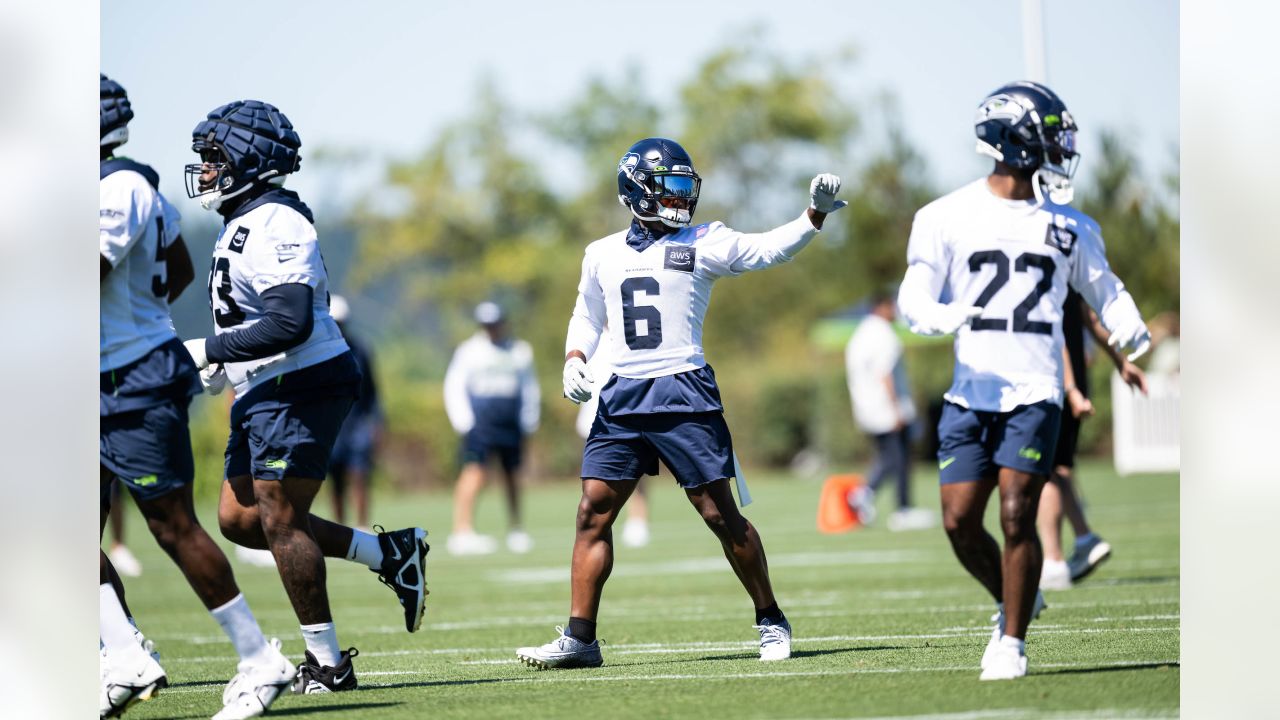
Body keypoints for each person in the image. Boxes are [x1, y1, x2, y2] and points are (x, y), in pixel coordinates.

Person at [516, 137, 846, 668]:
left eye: (683, 186)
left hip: (682, 391)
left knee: (719, 513)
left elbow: (764, 249)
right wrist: (575, 357)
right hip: (620, 394)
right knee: (590, 514)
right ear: (637, 190)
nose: (680, 197)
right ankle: (581, 639)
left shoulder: (704, 240)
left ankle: (770, 619)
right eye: (669, 186)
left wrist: (813, 216)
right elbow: (588, 315)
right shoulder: (601, 253)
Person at [897, 82, 1151, 680]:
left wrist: (1130, 329)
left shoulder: (1070, 226)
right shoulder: (945, 215)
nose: (1060, 146)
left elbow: (1102, 289)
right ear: (1012, 139)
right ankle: (1015, 597)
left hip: (1035, 392)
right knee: (959, 522)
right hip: (970, 392)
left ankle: (1011, 641)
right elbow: (915, 290)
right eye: (1049, 133)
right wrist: (935, 316)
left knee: (1017, 513)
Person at [179, 99, 429, 707]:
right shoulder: (244, 218)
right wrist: (227, 361)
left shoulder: (277, 221)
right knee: (240, 520)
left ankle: (328, 662)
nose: (205, 171)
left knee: (276, 514)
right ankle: (389, 552)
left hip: (304, 378)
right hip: (266, 385)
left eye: (213, 159)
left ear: (246, 160)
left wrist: (207, 348)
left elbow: (289, 322)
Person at [98, 74, 292, 720]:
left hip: (134, 378)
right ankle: (122, 653)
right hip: (98, 375)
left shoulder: (120, 184)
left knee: (171, 526)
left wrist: (135, 326)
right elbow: (176, 267)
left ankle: (259, 658)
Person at [1037, 293, 1148, 590]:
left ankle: (1053, 560)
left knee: (1043, 468)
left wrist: (1070, 387)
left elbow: (1058, 331)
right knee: (1057, 466)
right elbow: (1092, 320)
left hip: (1051, 379)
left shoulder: (1046, 263)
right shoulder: (1067, 264)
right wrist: (1120, 362)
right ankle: (1085, 538)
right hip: (1065, 380)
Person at [443, 302, 541, 555]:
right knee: (475, 472)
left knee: (512, 475)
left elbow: (529, 387)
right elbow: (454, 385)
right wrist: (463, 420)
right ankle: (462, 530)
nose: (491, 329)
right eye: (486, 325)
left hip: (509, 420)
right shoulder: (469, 350)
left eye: (495, 323)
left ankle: (516, 528)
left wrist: (529, 418)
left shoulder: (520, 351)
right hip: (481, 421)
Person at [844, 288, 935, 531]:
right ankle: (899, 508)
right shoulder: (883, 334)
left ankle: (868, 495)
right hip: (885, 407)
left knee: (890, 457)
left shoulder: (861, 333)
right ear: (881, 306)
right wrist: (896, 409)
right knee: (900, 458)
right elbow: (884, 374)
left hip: (867, 407)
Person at [575, 327, 650, 548]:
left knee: (638, 472)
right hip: (593, 415)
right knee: (595, 479)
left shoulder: (632, 333)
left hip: (628, 411)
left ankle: (638, 521)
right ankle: (602, 524)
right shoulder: (589, 337)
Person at [327, 295, 384, 530]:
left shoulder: (361, 350)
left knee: (360, 474)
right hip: (330, 425)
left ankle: (361, 526)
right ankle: (340, 529)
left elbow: (373, 390)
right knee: (336, 480)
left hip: (357, 423)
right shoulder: (319, 353)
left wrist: (377, 423)